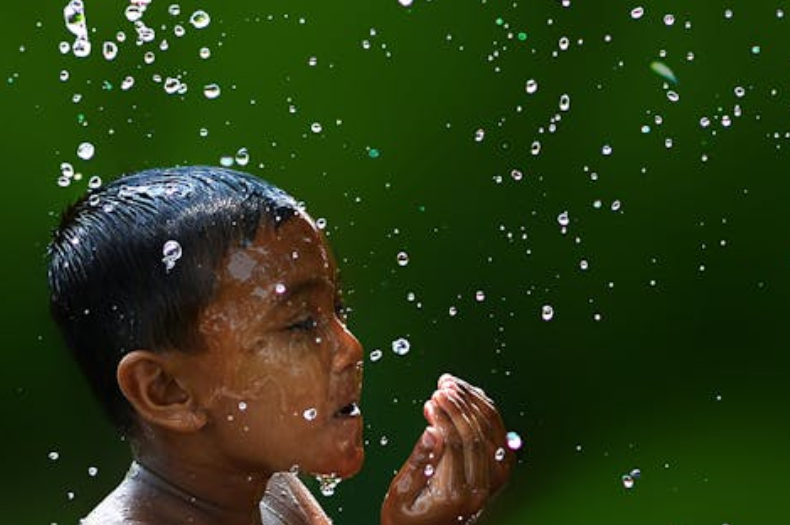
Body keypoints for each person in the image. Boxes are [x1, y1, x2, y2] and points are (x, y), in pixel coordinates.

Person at [47, 166, 514, 525]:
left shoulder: (275, 497)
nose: (349, 347)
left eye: (337, 310)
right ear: (167, 390)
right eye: (300, 324)